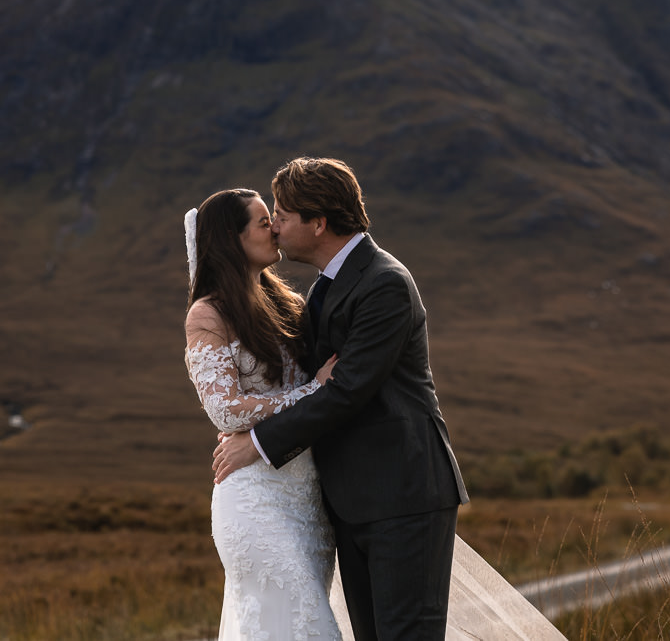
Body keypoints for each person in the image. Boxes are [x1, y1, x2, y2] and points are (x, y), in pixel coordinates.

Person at [212, 157, 467, 641]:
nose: (277, 228)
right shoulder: (325, 288)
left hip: (403, 493)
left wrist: (257, 444)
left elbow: (347, 391)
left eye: (283, 217)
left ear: (319, 222)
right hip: (353, 499)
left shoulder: (384, 284)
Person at [183, 187, 343, 641]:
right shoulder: (207, 314)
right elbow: (226, 411)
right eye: (261, 221)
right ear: (231, 240)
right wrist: (312, 392)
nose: (274, 227)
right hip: (255, 500)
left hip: (308, 501)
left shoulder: (286, 303)